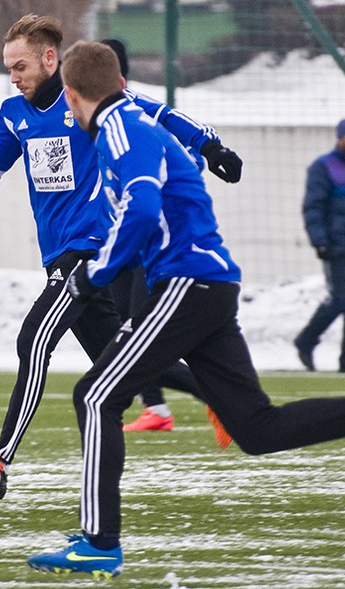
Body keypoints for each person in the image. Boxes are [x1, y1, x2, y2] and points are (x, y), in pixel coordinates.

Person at [25, 41, 345, 579]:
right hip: (207, 284)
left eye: (65, 102)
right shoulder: (133, 116)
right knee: (257, 429)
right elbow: (164, 160)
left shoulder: (118, 129)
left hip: (186, 282)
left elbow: (141, 206)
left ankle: (99, 542)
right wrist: (209, 150)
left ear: (71, 93)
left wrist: (93, 275)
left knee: (95, 394)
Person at [0, 15, 240, 498]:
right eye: (9, 68)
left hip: (90, 250)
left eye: (20, 66)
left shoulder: (83, 100)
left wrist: (210, 144)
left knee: (34, 339)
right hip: (58, 255)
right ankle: (218, 395)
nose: (13, 76)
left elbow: (158, 113)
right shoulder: (13, 115)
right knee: (124, 358)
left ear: (51, 59)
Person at [101, 38, 238, 439]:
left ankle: (214, 395)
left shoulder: (130, 107)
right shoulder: (83, 112)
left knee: (140, 336)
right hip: (119, 236)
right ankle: (157, 408)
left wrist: (211, 148)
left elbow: (178, 120)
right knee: (124, 331)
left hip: (152, 238)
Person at [293, 118, 345, 374]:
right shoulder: (323, 167)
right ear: (340, 139)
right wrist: (319, 240)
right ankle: (306, 341)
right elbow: (313, 206)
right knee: (340, 299)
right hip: (336, 245)